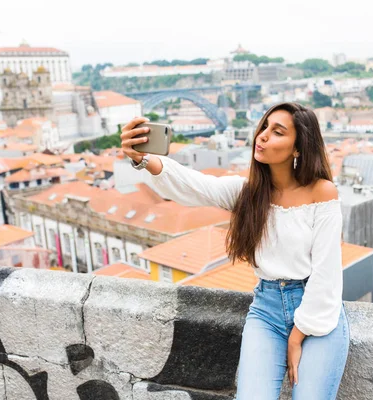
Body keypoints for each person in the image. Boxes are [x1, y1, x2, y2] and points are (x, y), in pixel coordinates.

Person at [121, 102, 350, 399]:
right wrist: (142, 159)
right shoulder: (247, 193)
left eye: (277, 132)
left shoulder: (322, 193)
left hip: (316, 310)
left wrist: (299, 334)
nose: (263, 136)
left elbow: (327, 272)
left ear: (298, 148)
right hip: (266, 310)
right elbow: (194, 185)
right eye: (264, 127)